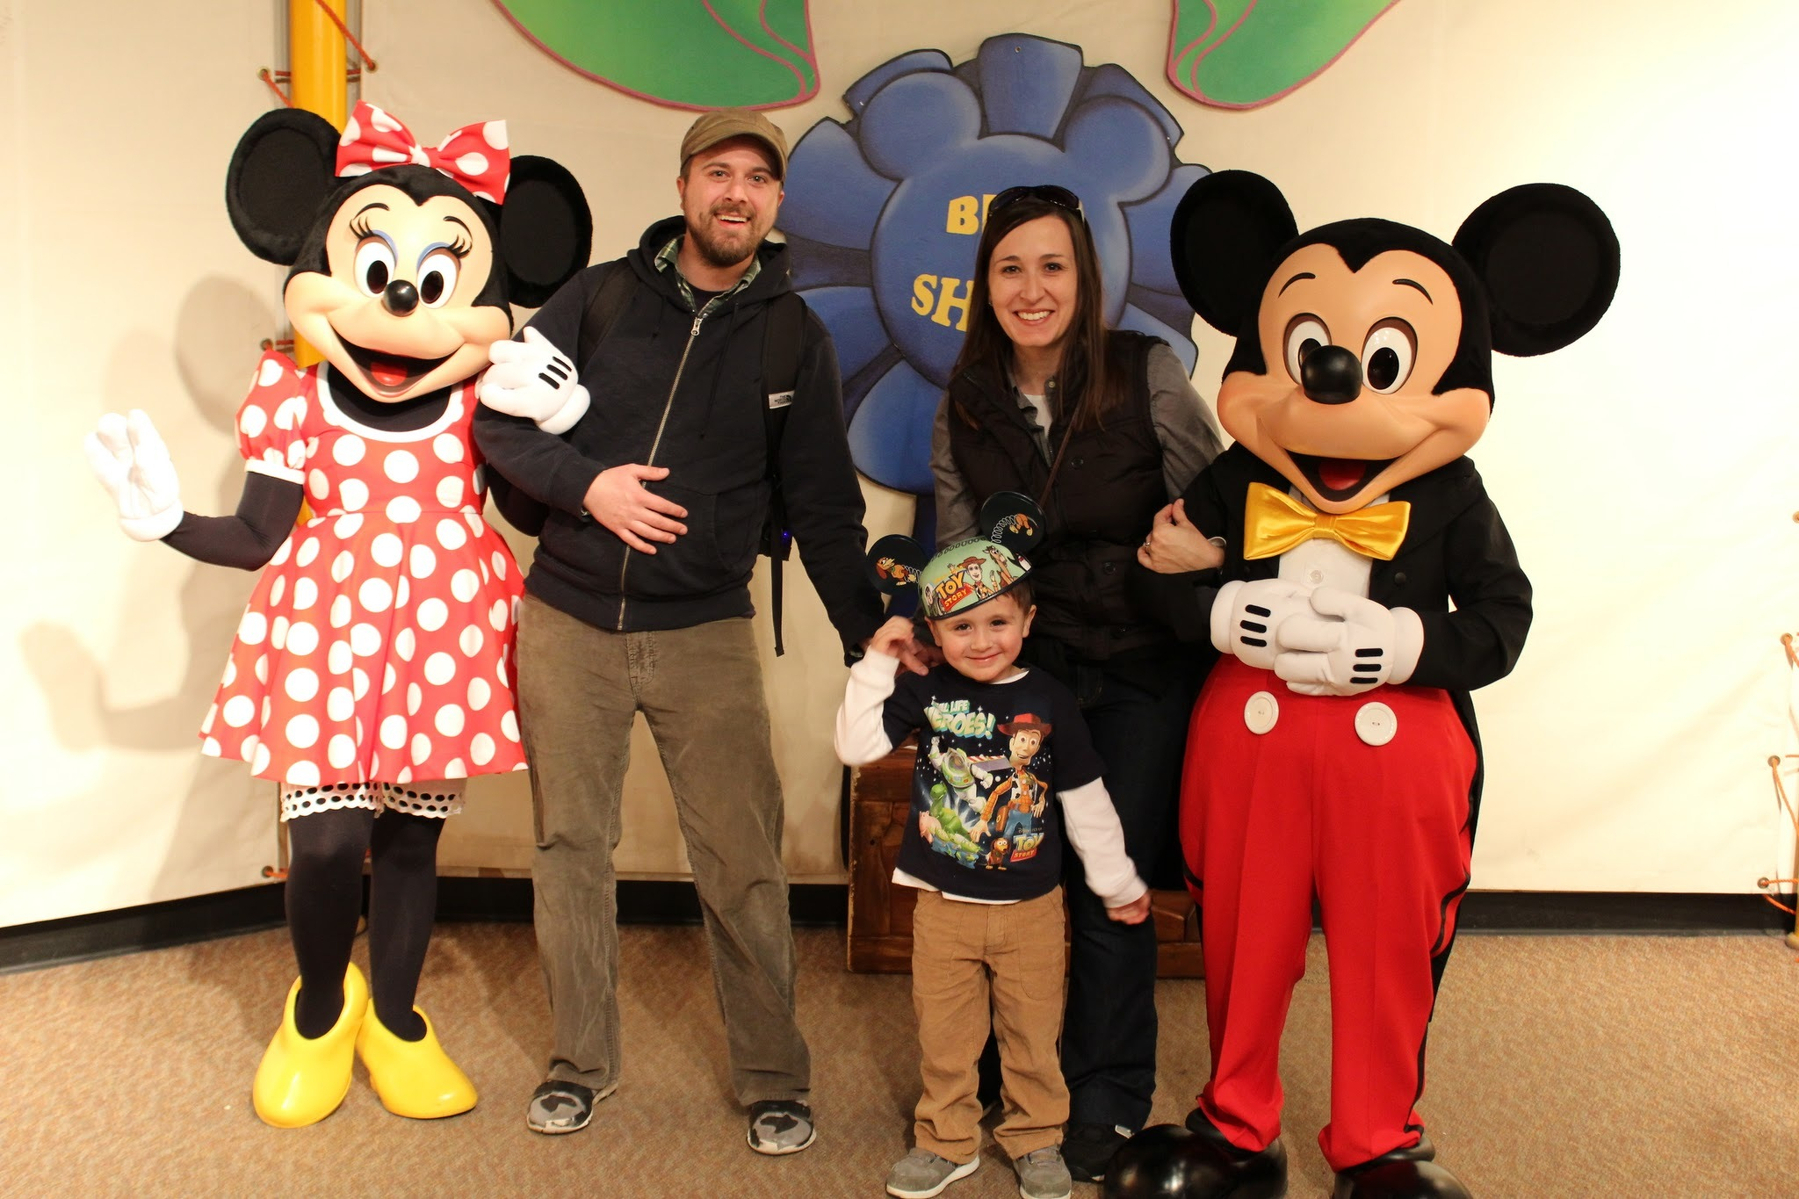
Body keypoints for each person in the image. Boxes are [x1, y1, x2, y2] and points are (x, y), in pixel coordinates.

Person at [83, 103, 592, 1127]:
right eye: (377, 270)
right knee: (324, 843)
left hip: (447, 633)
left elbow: (534, 511)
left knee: (408, 843)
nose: (404, 298)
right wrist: (168, 521)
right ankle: (319, 1008)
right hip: (325, 633)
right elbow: (259, 532)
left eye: (440, 279)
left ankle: (396, 1017)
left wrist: (565, 422)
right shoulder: (293, 389)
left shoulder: (486, 396)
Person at [474, 108, 914, 1152]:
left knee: (743, 859)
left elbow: (823, 507)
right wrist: (590, 488)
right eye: (718, 172)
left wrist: (869, 631)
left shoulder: (789, 334)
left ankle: (773, 1075)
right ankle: (579, 1063)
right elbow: (495, 424)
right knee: (570, 847)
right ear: (683, 187)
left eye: (757, 179)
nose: (736, 193)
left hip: (704, 631)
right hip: (568, 618)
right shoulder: (600, 297)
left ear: (772, 204)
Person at [929, 183, 1224, 1180]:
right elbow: (959, 549)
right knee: (1008, 882)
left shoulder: (1147, 373)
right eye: (1009, 266)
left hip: (1141, 671)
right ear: (985, 282)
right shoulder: (964, 399)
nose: (1030, 286)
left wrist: (1195, 552)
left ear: (1084, 274)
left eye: (1050, 265)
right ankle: (997, 1079)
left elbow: (1216, 503)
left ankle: (1105, 1089)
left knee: (1112, 885)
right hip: (1027, 676)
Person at [835, 533, 1150, 1199]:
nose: (980, 641)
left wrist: (1116, 881)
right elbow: (854, 745)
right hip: (941, 907)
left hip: (1030, 910)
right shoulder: (923, 687)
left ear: (1027, 621)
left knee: (1032, 1036)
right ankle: (945, 1139)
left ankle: (1036, 1137)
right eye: (960, 627)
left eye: (998, 622)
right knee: (946, 1038)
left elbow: (1084, 798)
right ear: (933, 631)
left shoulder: (1051, 699)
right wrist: (876, 662)